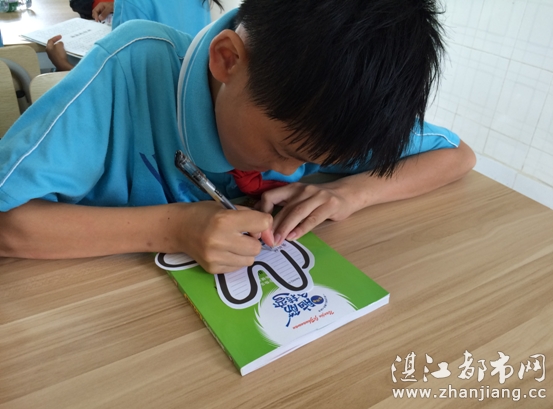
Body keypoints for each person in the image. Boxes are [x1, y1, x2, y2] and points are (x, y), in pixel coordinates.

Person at [0, 0, 476, 274]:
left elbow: (457, 155)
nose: (292, 171)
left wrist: (351, 192)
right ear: (227, 61)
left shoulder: (330, 108)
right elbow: (8, 221)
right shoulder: (129, 69)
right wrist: (174, 229)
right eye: (284, 151)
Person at [47, 0, 220, 71]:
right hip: (190, 103)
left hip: (152, 114)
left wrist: (64, 66)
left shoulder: (131, 3)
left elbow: (117, 86)